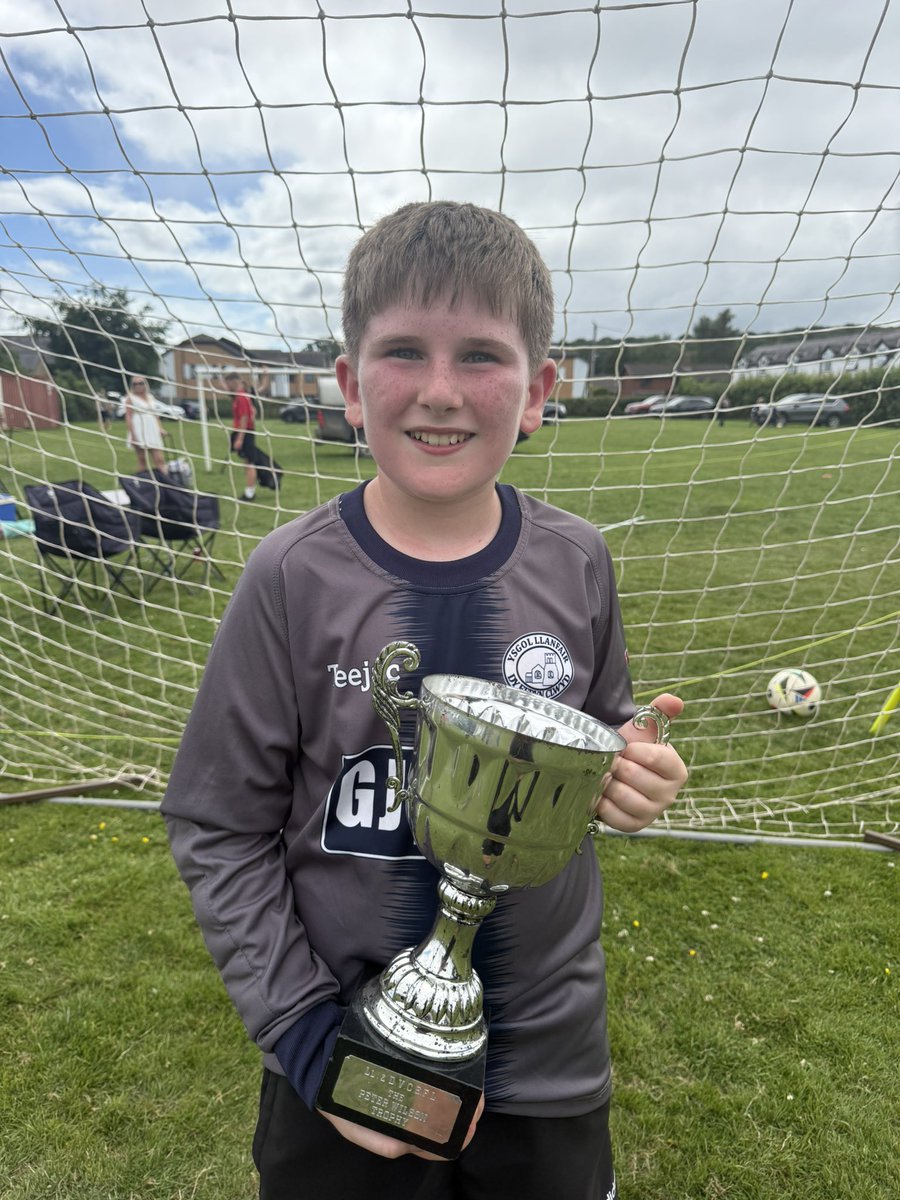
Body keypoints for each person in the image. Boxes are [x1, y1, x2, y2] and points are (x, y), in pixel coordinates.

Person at [162, 201, 688, 1200]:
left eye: (481, 357)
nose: (441, 393)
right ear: (351, 386)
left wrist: (633, 765)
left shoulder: (577, 561)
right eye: (404, 350)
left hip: (546, 1060)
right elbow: (216, 823)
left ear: (536, 392)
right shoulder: (289, 576)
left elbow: (602, 728)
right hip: (344, 1061)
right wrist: (310, 1039)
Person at [123, 375, 167, 474]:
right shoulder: (130, 398)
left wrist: (160, 429)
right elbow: (128, 416)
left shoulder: (150, 397)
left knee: (159, 459)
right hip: (139, 428)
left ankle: (165, 482)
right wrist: (133, 436)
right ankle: (142, 483)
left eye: (140, 383)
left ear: (145, 384)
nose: (138, 386)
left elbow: (155, 415)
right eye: (135, 384)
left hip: (152, 428)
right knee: (142, 460)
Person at [225, 371, 258, 500]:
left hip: (246, 432)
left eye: (228, 384)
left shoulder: (242, 397)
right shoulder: (240, 396)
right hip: (246, 431)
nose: (227, 387)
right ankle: (250, 490)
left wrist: (240, 438)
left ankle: (250, 492)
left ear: (234, 382)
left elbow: (244, 418)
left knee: (250, 463)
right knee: (247, 462)